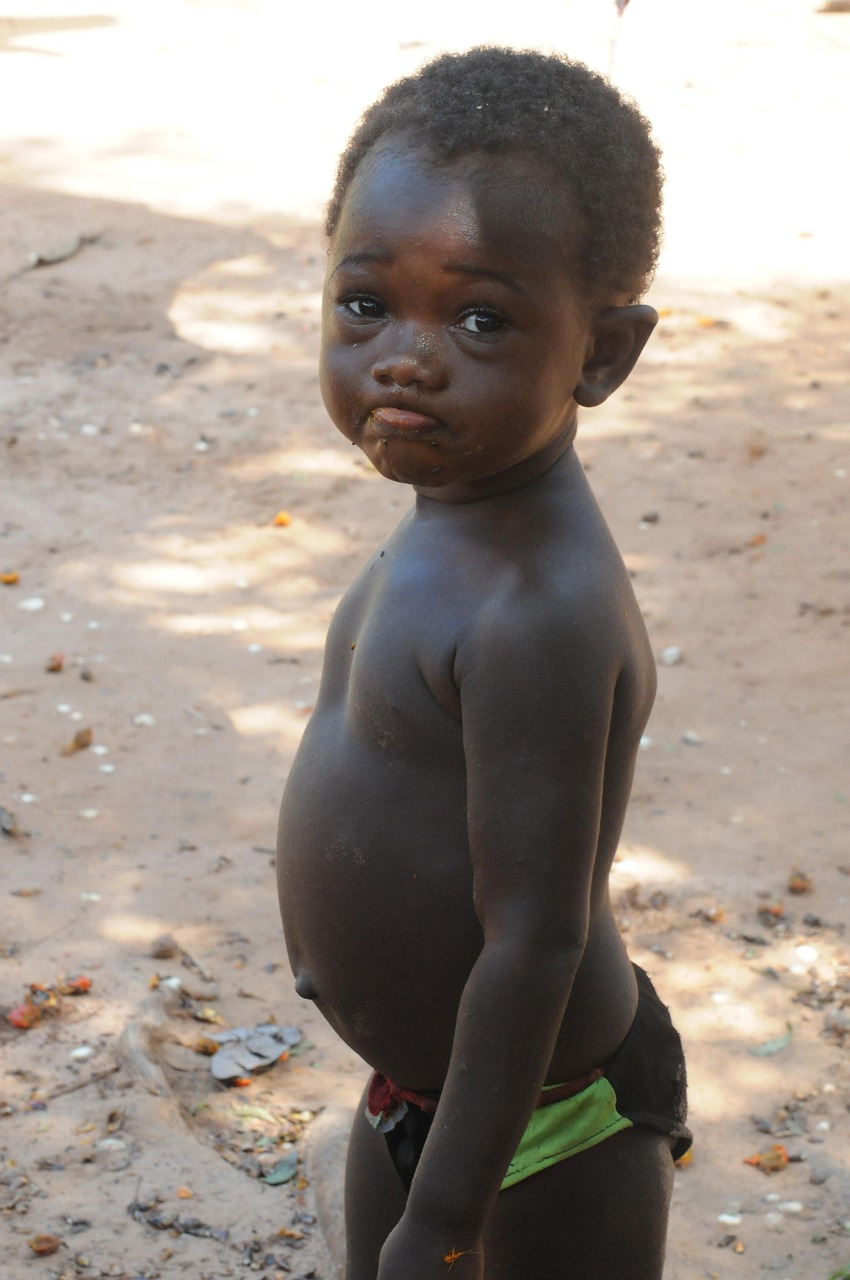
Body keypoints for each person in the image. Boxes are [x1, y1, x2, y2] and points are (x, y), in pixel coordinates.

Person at [277, 46, 691, 1280]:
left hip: (541, 1125)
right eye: (366, 304)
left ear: (602, 355)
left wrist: (441, 1215)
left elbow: (533, 943)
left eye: (477, 317)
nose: (405, 357)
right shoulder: (450, 520)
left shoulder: (534, 608)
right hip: (422, 1094)